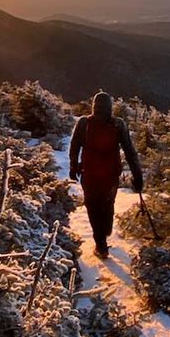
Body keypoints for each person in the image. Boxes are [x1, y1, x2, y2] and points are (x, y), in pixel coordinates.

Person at [69, 91, 143, 259]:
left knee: (92, 207)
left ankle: (100, 243)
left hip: (89, 174)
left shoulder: (84, 123)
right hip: (110, 176)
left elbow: (74, 146)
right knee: (107, 203)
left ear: (94, 106)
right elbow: (130, 152)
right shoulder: (118, 124)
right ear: (111, 107)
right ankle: (105, 232)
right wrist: (137, 176)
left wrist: (74, 167)